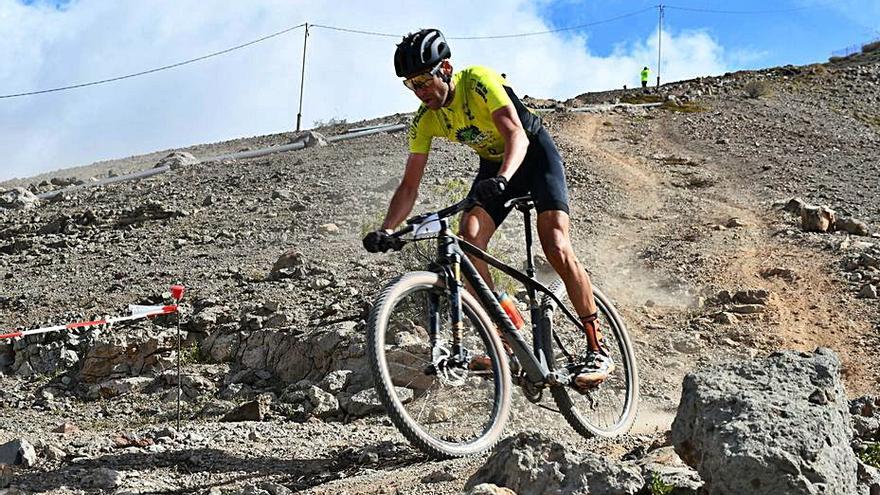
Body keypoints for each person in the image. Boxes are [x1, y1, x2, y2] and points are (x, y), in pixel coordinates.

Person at [362, 28, 613, 388]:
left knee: (555, 244)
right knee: (469, 239)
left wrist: (504, 178)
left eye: (423, 80)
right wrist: (387, 230)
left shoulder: (478, 81)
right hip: (495, 167)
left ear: (445, 68)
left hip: (532, 155)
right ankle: (510, 333)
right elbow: (409, 185)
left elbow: (515, 134)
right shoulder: (424, 120)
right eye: (410, 84)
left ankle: (597, 347)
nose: (419, 91)